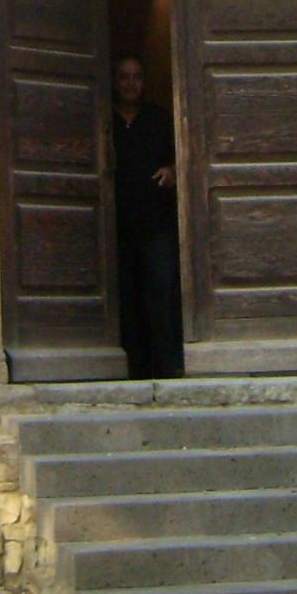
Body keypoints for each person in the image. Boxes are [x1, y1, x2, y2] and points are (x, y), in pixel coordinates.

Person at [109, 53, 184, 379]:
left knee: (161, 289)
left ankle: (166, 365)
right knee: (124, 293)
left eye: (136, 76)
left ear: (144, 81)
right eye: (124, 76)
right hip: (115, 223)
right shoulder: (104, 119)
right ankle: (131, 367)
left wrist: (172, 172)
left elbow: (184, 157)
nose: (130, 83)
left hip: (156, 221)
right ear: (115, 80)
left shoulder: (159, 119)